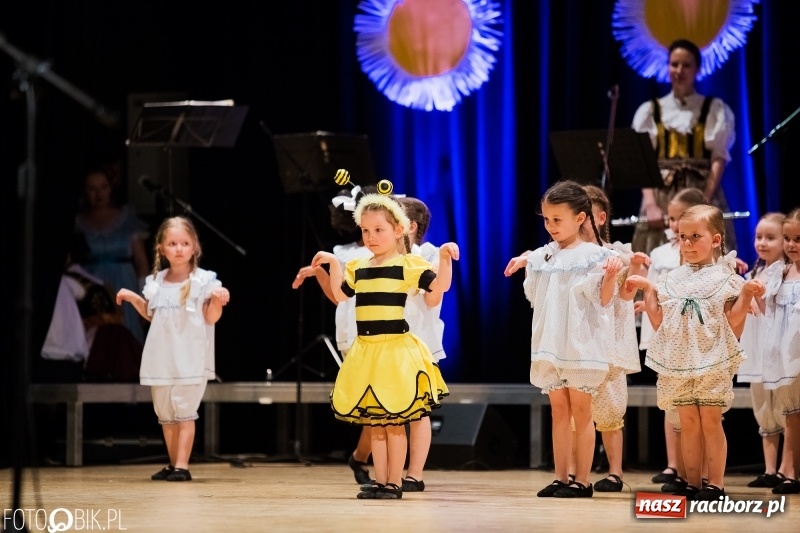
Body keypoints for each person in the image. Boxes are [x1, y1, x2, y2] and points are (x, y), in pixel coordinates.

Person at [311, 189, 458, 499]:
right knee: (375, 422)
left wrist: (445, 258)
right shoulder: (359, 267)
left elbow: (438, 289)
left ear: (399, 230)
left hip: (394, 350)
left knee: (394, 422)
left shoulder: (408, 265)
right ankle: (381, 482)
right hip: (367, 351)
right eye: (366, 230)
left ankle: (394, 483)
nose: (371, 236)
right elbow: (341, 296)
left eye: (379, 230)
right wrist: (330, 266)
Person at [625, 205, 765, 501]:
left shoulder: (725, 279)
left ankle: (715, 482)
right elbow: (660, 321)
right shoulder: (671, 279)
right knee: (687, 422)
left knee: (710, 421)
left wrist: (747, 293)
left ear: (715, 240)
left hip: (711, 359)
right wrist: (649, 291)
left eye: (695, 237)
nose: (687, 243)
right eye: (682, 236)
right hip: (679, 361)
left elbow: (733, 320)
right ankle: (691, 481)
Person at [504, 180, 624, 499]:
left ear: (580, 218)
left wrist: (610, 276)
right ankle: (561, 476)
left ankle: (582, 480)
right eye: (546, 219)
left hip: (581, 344)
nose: (551, 226)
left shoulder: (595, 255)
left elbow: (602, 300)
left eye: (557, 219)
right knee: (559, 412)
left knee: (582, 412)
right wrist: (526, 262)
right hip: (550, 343)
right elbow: (534, 296)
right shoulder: (543, 256)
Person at [116, 216, 230, 482]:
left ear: (195, 247)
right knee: (166, 416)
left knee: (184, 413)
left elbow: (210, 318)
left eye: (185, 243)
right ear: (161, 248)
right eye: (172, 243)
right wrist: (134, 298)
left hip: (189, 358)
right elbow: (153, 314)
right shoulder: (156, 282)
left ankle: (182, 465)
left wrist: (217, 300)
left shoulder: (204, 281)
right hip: (162, 357)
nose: (179, 248)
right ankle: (172, 463)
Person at [631, 39, 736, 255]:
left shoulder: (713, 109)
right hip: (662, 194)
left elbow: (719, 157)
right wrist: (650, 204)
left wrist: (706, 198)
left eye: (686, 65)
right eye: (674, 64)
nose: (679, 70)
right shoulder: (651, 110)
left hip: (701, 188)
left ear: (697, 69)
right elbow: (643, 161)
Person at [637, 187, 707, 491]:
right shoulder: (660, 253)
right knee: (670, 401)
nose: (674, 225)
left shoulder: (703, 256)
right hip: (664, 331)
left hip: (695, 336)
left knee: (697, 407)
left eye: (680, 218)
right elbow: (652, 291)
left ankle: (698, 471)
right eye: (671, 218)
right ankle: (674, 465)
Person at [575, 185, 643, 492]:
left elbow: (627, 294)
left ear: (600, 218)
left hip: (610, 337)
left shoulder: (619, 254)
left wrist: (635, 268)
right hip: (578, 339)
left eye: (586, 215)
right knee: (579, 410)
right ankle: (579, 472)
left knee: (611, 409)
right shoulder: (569, 253)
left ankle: (615, 471)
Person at [736, 212, 789, 488]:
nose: (763, 243)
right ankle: (770, 469)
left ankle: (786, 468)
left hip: (778, 354)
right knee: (764, 410)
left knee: (784, 408)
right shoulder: (754, 272)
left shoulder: (786, 273)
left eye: (771, 237)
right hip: (755, 353)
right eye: (759, 237)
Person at [75, 166, 150, 344]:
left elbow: (141, 262)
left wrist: (144, 297)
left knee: (126, 339)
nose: (98, 194)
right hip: (92, 287)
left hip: (123, 284)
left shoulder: (126, 217)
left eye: (103, 187)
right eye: (92, 189)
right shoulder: (78, 222)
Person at [758, 208, 800, 494]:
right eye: (787, 238)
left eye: (798, 239)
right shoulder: (780, 272)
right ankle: (791, 473)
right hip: (788, 356)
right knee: (792, 414)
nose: (791, 245)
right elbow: (768, 311)